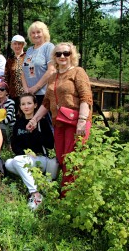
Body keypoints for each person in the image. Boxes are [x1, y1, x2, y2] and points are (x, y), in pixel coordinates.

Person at [26, 42, 93, 197]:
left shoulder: (78, 72)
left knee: (73, 160)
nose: (62, 56)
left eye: (66, 53)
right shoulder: (53, 77)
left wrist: (82, 121)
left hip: (76, 123)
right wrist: (34, 119)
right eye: (58, 54)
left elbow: (86, 98)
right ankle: (67, 194)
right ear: (54, 57)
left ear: (72, 56)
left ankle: (69, 198)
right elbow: (46, 103)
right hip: (59, 123)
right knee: (62, 159)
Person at [5, 93, 55, 210]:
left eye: (29, 103)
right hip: (25, 159)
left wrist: (35, 131)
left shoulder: (42, 122)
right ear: (20, 107)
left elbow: (50, 144)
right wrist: (25, 152)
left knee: (17, 160)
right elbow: (14, 145)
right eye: (23, 104)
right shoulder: (18, 123)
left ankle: (35, 194)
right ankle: (37, 186)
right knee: (8, 163)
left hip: (40, 159)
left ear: (35, 105)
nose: (26, 106)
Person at [21, 21, 56, 107]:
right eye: (33, 33)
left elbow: (51, 70)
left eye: (38, 32)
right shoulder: (29, 50)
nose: (35, 35)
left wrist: (36, 87)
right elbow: (23, 71)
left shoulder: (49, 47)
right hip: (29, 95)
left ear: (44, 33)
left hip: (44, 94)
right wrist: (26, 90)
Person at [0, 81, 15, 149]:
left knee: (1, 126)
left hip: (9, 126)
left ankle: (8, 144)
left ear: (6, 92)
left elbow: (8, 119)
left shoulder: (10, 102)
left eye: (2, 89)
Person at [4, 35, 27, 109]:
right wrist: (6, 92)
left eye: (19, 44)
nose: (17, 46)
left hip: (26, 93)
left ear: (23, 45)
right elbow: (6, 77)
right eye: (15, 44)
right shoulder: (10, 60)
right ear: (12, 45)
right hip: (13, 94)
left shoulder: (28, 57)